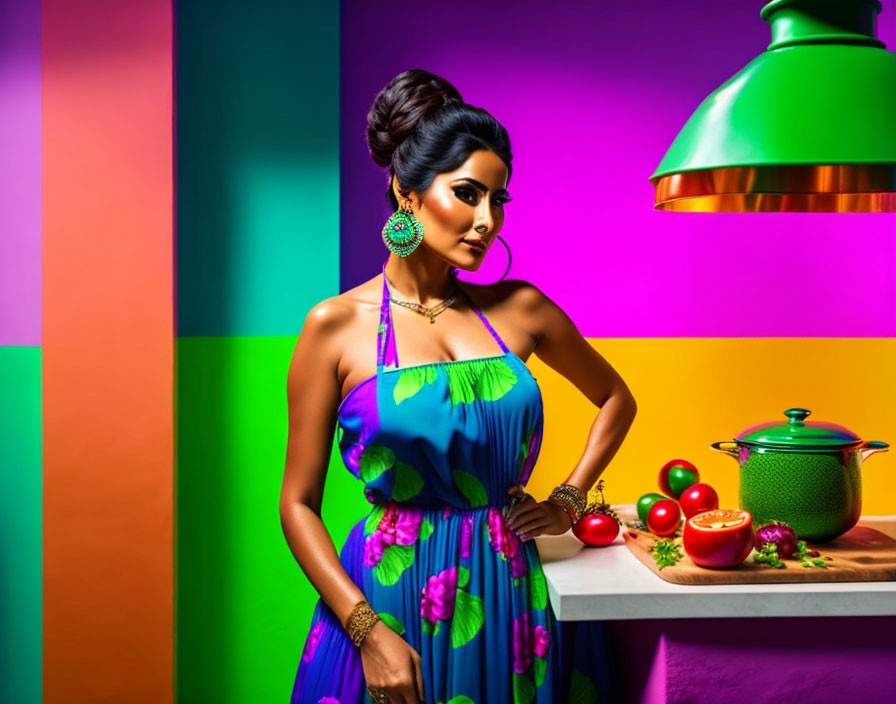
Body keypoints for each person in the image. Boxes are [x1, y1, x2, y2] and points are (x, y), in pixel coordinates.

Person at [281, 68, 637, 704]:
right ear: (407, 193)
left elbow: (616, 399)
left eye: (498, 200)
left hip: (510, 594)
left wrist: (568, 501)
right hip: (386, 598)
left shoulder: (520, 310)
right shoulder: (334, 327)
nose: (487, 220)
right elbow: (298, 503)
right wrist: (367, 633)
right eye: (468, 194)